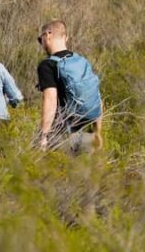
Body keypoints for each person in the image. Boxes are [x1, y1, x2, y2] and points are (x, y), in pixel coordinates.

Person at [37, 20, 103, 154]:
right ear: (65, 38)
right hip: (87, 136)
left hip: (61, 136)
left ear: (48, 35)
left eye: (40, 39)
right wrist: (98, 132)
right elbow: (96, 97)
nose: (41, 43)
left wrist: (44, 136)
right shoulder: (82, 61)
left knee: (50, 167)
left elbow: (50, 100)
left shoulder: (47, 65)